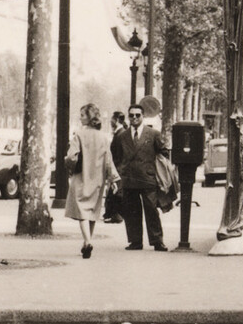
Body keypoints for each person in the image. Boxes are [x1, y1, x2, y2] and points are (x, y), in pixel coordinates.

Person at [63, 101, 117, 258]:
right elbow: (109, 160)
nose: (80, 118)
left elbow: (71, 157)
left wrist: (69, 165)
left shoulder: (78, 135)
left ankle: (87, 242)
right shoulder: (104, 137)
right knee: (92, 211)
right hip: (98, 178)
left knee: (82, 211)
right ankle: (88, 240)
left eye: (82, 115)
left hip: (82, 177)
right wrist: (112, 179)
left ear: (88, 117)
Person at [118, 95, 171, 251]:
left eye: (137, 115)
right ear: (128, 117)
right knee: (132, 212)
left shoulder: (153, 134)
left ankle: (157, 241)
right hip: (129, 178)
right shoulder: (122, 136)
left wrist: (158, 171)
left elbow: (163, 153)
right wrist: (121, 172)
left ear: (143, 116)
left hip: (148, 178)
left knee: (151, 210)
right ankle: (135, 241)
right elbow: (117, 156)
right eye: (131, 115)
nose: (134, 118)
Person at [170, 118, 206, 250]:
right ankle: (184, 240)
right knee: (186, 196)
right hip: (189, 163)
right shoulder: (195, 133)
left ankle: (184, 240)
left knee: (186, 196)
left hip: (187, 164)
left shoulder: (181, 133)